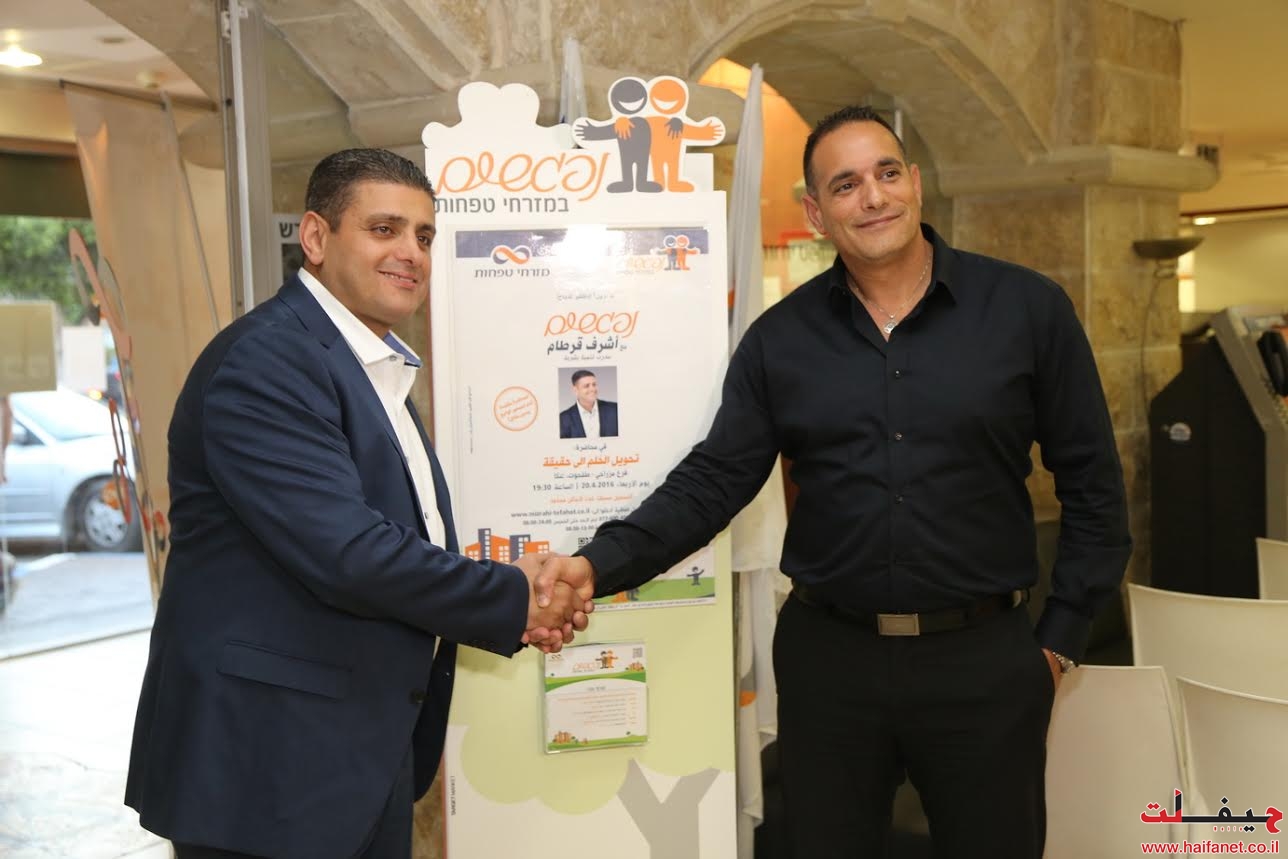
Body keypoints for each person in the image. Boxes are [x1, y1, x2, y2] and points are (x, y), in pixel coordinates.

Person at [542, 106, 1131, 858]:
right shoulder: (780, 339)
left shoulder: (1027, 309)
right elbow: (714, 480)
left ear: (915, 184)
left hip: (984, 660)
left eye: (887, 174)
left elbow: (1094, 484)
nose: (873, 197)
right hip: (831, 664)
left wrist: (1059, 641)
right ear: (817, 213)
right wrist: (595, 565)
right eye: (846, 185)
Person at [125, 149, 592, 859]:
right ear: (316, 237)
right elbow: (348, 552)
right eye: (384, 229)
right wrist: (514, 597)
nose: (411, 253)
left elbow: (390, 537)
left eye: (424, 236)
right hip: (268, 766)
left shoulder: (366, 364)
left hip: (348, 754)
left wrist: (512, 591)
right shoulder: (267, 361)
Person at [558, 369, 619, 438]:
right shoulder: (563, 419)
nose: (592, 389)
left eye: (594, 385)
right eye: (586, 386)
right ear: (575, 390)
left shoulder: (615, 410)